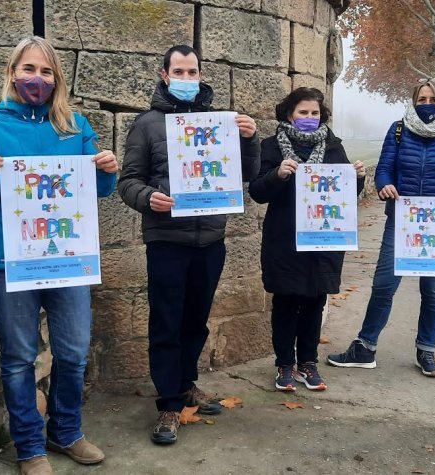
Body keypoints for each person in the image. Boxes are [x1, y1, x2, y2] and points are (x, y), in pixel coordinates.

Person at [0, 37, 118, 475]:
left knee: (73, 352)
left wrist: (107, 169)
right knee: (18, 357)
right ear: (12, 74)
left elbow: (99, 190)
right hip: (10, 260)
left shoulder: (75, 125)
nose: (37, 79)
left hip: (67, 258)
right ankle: (29, 447)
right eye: (29, 69)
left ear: (57, 79)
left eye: (46, 72)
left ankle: (66, 431)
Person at [118, 44, 260, 445]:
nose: (185, 79)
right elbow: (128, 182)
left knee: (195, 319)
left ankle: (185, 385)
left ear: (200, 74)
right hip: (166, 239)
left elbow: (246, 175)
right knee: (166, 321)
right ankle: (168, 404)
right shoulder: (147, 124)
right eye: (178, 72)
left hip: (210, 238)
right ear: (165, 75)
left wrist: (249, 139)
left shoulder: (219, 121)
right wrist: (148, 199)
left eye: (191, 72)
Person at [327, 78, 435, 378]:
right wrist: (384, 186)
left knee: (432, 290)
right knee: (384, 285)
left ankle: (426, 350)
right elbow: (383, 169)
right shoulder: (398, 130)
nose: (427, 105)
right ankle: (365, 347)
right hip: (402, 219)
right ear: (413, 101)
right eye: (421, 100)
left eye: (433, 100)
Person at [249, 87, 366, 393]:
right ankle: (285, 365)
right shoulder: (272, 147)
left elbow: (345, 196)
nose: (309, 118)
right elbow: (257, 192)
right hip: (285, 240)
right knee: (286, 301)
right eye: (303, 112)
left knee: (315, 301)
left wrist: (359, 178)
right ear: (290, 113)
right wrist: (279, 175)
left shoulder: (333, 147)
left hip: (322, 240)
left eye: (314, 113)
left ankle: (308, 364)